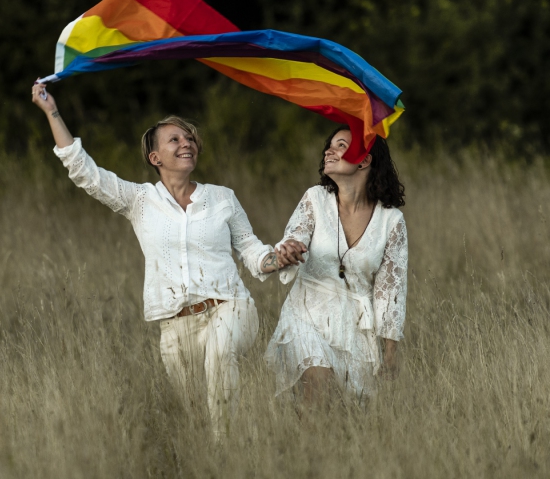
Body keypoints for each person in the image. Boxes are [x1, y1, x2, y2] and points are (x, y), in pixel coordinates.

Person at [31, 81, 280, 437]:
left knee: (220, 358)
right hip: (174, 324)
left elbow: (252, 250)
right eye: (175, 140)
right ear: (155, 158)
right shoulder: (140, 201)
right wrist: (51, 111)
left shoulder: (223, 197)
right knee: (194, 417)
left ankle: (228, 456)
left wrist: (274, 259)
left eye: (189, 138)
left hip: (231, 307)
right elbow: (84, 172)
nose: (186, 144)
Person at [265, 126, 407, 405]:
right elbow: (295, 236)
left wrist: (390, 352)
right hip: (306, 311)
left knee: (343, 411)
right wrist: (288, 250)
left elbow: (390, 291)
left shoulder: (392, 221)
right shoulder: (315, 199)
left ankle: (310, 448)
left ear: (364, 160)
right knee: (319, 383)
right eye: (329, 145)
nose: (328, 150)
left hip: (355, 324)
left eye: (340, 145)